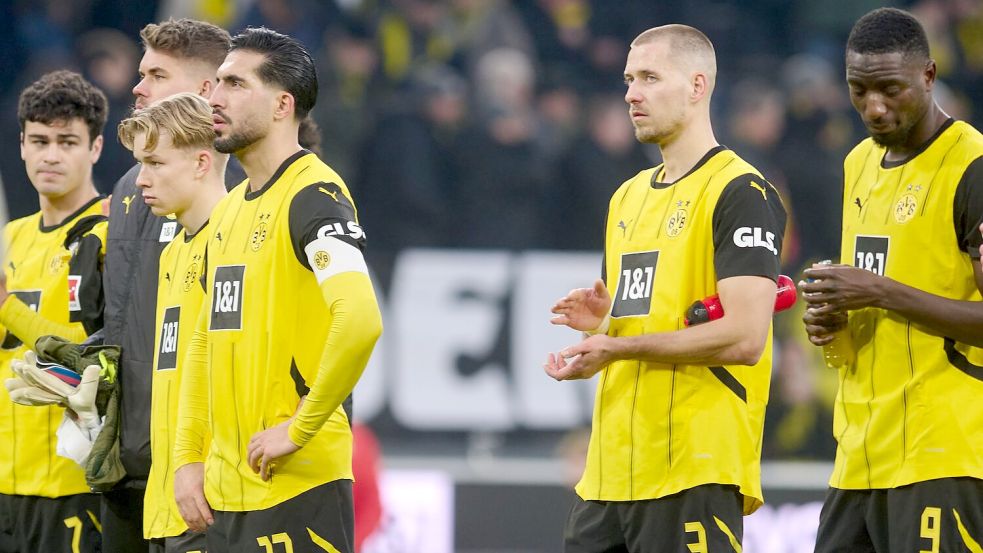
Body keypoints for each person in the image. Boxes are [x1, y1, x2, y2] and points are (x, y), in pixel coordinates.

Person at [545, 25, 787, 552]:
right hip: (610, 475)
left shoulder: (740, 191)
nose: (632, 93)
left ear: (698, 86)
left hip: (693, 472)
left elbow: (745, 338)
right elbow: (650, 318)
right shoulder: (626, 197)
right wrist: (606, 324)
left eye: (651, 78)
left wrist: (619, 344)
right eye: (629, 79)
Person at [173, 27, 382, 553]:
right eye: (217, 83)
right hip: (224, 494)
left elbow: (360, 319)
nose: (215, 98)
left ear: (282, 105)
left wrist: (299, 428)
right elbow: (203, 343)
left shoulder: (315, 193)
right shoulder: (228, 210)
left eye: (237, 84)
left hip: (298, 487)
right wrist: (188, 460)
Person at [800, 8, 983, 551]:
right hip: (859, 453)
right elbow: (871, 290)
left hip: (942, 449)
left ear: (928, 75)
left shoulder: (971, 165)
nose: (873, 107)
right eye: (859, 90)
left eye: (890, 89)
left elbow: (883, 288)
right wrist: (833, 315)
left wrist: (878, 291)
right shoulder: (858, 163)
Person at [98, 18, 241, 552]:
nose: (138, 88)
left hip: (196, 469)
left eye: (157, 74)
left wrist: (195, 457)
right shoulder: (130, 187)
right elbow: (126, 323)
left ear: (206, 91)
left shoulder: (246, 197)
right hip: (128, 460)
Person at [0, 70, 109, 553]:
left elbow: (86, 356)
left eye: (67, 141)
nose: (50, 155)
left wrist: (6, 305)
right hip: (6, 481)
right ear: (21, 144)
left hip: (71, 484)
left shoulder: (107, 234)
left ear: (96, 149)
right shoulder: (11, 237)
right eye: (39, 140)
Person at [117, 92, 229, 552]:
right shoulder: (175, 251)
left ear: (202, 163)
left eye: (156, 163)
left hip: (213, 500)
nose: (141, 180)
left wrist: (193, 465)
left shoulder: (235, 245)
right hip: (168, 504)